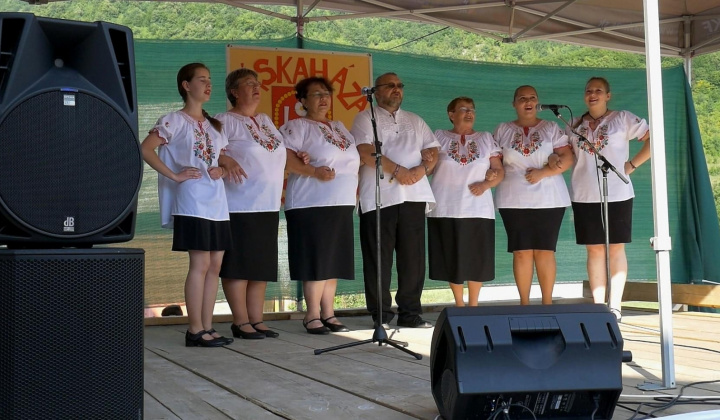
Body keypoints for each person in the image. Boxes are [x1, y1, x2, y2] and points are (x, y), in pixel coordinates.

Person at [141, 62, 232, 347]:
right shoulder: (174, 120)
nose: (208, 84)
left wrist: (222, 170)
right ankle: (195, 329)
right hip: (192, 201)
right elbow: (145, 148)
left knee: (215, 264)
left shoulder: (215, 125)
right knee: (201, 262)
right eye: (201, 79)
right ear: (186, 85)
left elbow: (221, 159)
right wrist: (174, 175)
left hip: (217, 201)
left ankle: (207, 326)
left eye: (210, 80)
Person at [216, 68, 300, 340]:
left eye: (257, 84)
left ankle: (257, 319)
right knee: (239, 264)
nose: (256, 88)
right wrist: (224, 159)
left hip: (268, 202)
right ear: (233, 92)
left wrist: (302, 157)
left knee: (260, 265)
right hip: (239, 203)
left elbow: (279, 150)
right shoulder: (224, 120)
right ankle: (240, 322)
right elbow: (209, 150)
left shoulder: (264, 120)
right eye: (249, 84)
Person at [351, 72, 440, 329]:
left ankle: (410, 314)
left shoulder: (415, 119)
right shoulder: (365, 117)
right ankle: (381, 316)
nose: (396, 89)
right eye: (390, 86)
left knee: (413, 258)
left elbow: (432, 151)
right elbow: (366, 153)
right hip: (380, 196)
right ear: (376, 92)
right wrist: (400, 171)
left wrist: (419, 171)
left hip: (414, 195)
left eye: (400, 85)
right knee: (379, 258)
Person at [279, 76, 360, 334]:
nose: (323, 98)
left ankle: (328, 312)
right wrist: (314, 171)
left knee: (332, 259)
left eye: (326, 93)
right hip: (310, 203)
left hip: (341, 202)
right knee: (316, 258)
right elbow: (284, 159)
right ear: (302, 101)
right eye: (316, 94)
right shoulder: (296, 126)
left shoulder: (339, 127)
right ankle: (311, 314)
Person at [568, 76, 650, 320]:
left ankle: (615, 305)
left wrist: (632, 164)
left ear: (608, 96)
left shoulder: (622, 118)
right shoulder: (573, 124)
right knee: (594, 249)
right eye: (589, 90)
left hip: (617, 193)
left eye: (598, 90)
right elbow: (566, 155)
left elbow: (653, 139)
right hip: (584, 194)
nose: (593, 94)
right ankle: (597, 305)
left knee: (615, 248)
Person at [493, 85, 573, 305]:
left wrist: (544, 172)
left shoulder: (551, 127)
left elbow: (567, 157)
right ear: (514, 104)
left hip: (549, 198)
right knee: (521, 252)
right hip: (513, 198)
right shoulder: (502, 129)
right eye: (522, 98)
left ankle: (547, 303)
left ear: (538, 102)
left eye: (532, 98)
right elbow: (494, 161)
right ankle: (525, 304)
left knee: (545, 251)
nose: (527, 102)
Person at [428, 97, 504, 307]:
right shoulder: (438, 137)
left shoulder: (486, 138)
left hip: (478, 207)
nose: (470, 113)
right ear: (451, 114)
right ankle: (459, 304)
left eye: (472, 109)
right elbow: (429, 168)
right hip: (445, 206)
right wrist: (426, 161)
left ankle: (474, 305)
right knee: (452, 256)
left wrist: (487, 184)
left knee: (477, 257)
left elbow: (499, 171)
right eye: (463, 109)